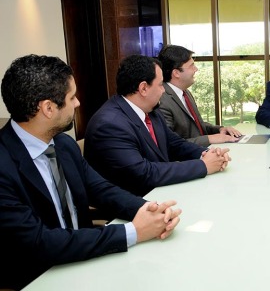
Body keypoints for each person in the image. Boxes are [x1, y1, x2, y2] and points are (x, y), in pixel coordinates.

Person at [0, 54, 181, 290]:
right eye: (72, 97)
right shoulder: (3, 166)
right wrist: (133, 231)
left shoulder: (63, 145)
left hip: (87, 260)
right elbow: (40, 243)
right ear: (48, 108)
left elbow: (100, 189)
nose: (77, 103)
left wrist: (150, 210)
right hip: (39, 277)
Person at [84, 55, 231, 197]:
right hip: (134, 205)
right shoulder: (110, 124)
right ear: (143, 88)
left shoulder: (150, 110)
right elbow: (144, 173)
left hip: (159, 193)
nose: (163, 90)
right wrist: (203, 166)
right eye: (160, 84)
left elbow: (174, 143)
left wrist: (207, 154)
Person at [157, 44, 242, 146]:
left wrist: (220, 129)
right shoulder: (162, 100)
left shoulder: (185, 92)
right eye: (191, 65)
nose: (196, 69)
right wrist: (209, 139)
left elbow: (196, 126)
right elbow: (171, 144)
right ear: (176, 73)